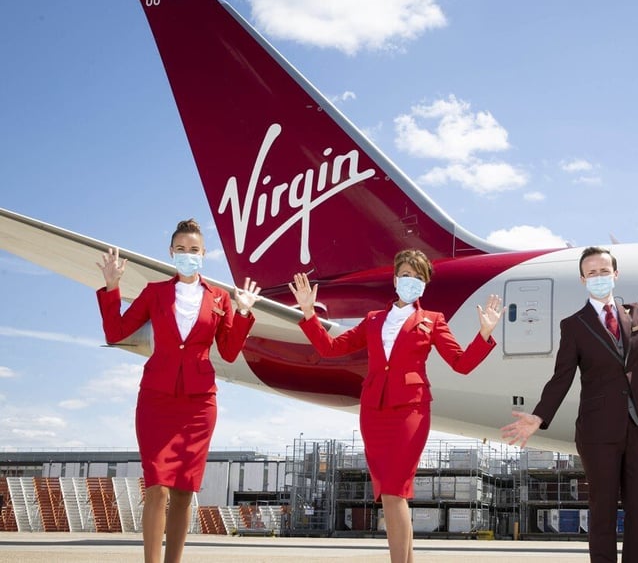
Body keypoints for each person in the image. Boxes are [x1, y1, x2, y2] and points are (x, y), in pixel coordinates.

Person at [289, 249, 503, 563]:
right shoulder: (374, 320)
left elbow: (461, 363)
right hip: (374, 411)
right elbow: (330, 348)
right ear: (394, 279)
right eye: (405, 274)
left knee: (394, 490)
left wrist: (484, 333)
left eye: (418, 277)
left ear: (425, 284)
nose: (411, 281)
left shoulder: (432, 321)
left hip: (411, 411)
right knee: (389, 494)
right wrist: (309, 314)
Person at [502, 246, 638, 563]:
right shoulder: (574, 325)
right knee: (602, 513)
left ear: (616, 274)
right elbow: (562, 377)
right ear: (583, 279)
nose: (599, 277)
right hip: (598, 432)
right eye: (592, 272)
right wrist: (540, 416)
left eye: (604, 271)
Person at [96, 218, 261, 563]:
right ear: (171, 253)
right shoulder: (155, 293)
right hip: (157, 399)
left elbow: (229, 351)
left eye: (195, 250)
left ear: (204, 255)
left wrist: (243, 312)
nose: (188, 255)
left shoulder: (218, 298)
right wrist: (111, 288)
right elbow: (117, 332)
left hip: (199, 405)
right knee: (157, 486)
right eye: (182, 249)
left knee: (185, 492)